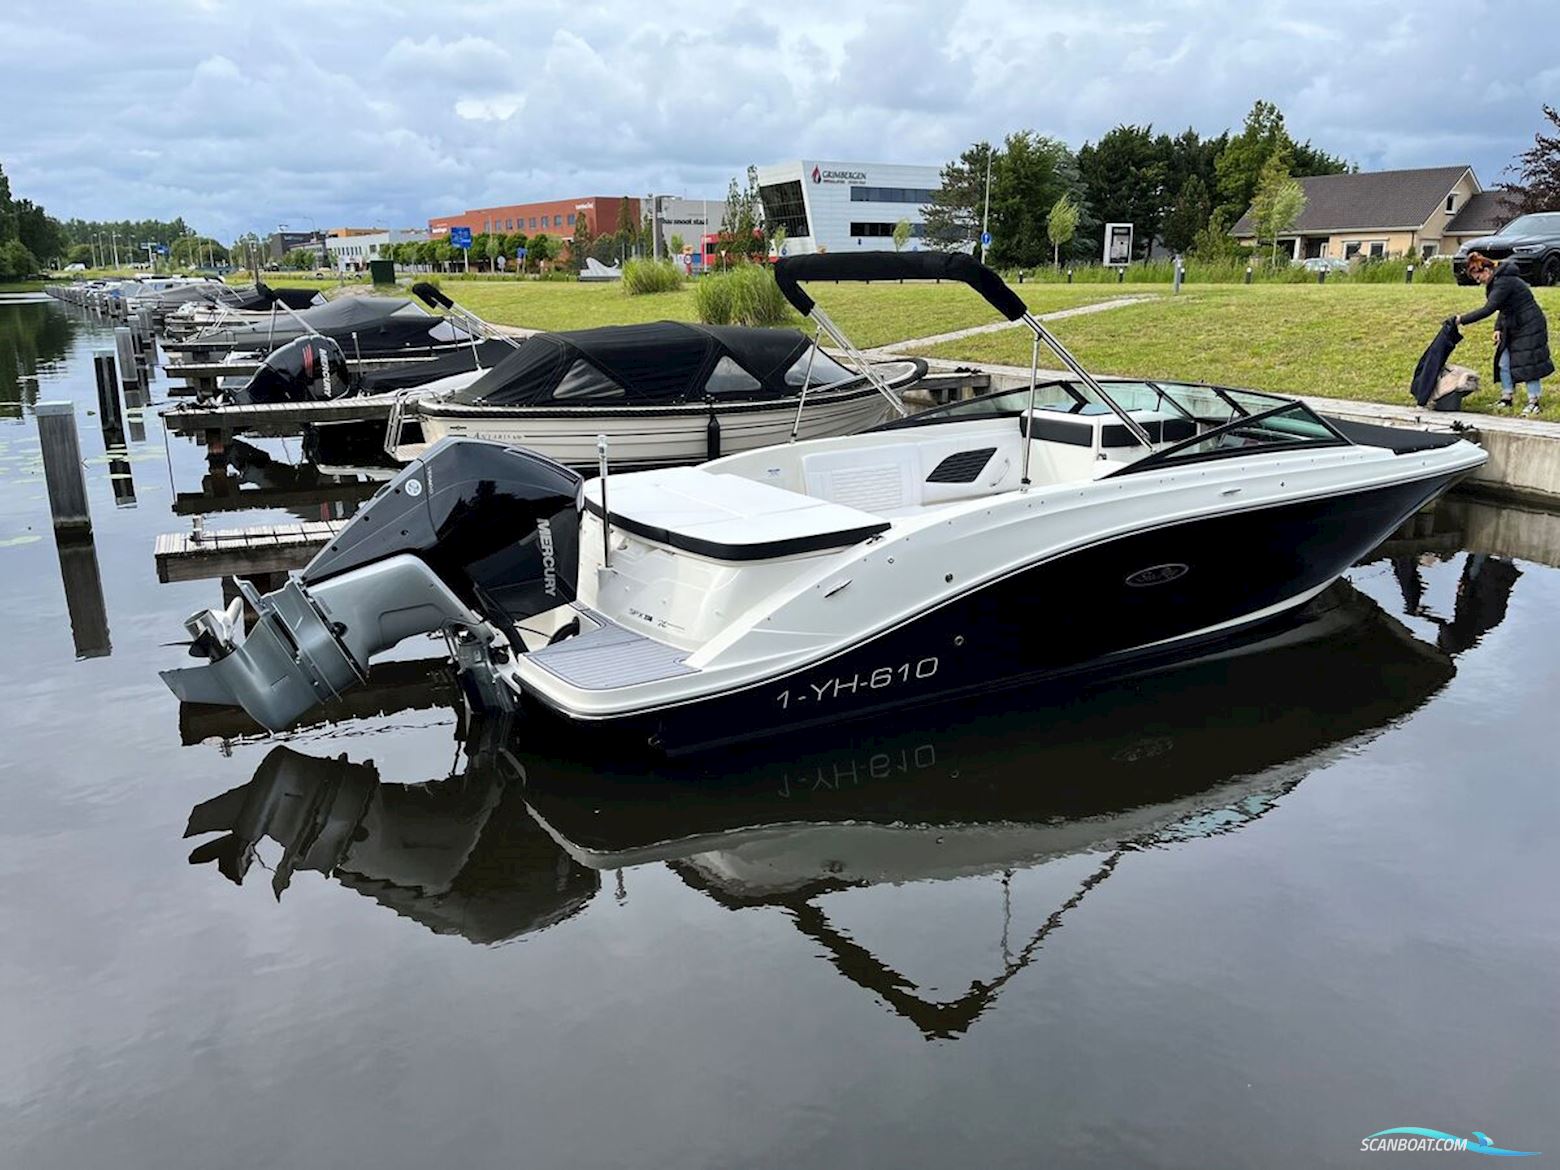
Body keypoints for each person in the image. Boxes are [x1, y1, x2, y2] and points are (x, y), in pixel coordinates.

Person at [1455, 251, 1553, 415]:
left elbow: (1489, 308)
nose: (1479, 282)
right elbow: (1503, 308)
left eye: (1478, 278)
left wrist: (1461, 319)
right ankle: (1506, 397)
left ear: (1486, 271)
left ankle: (1534, 402)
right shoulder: (1498, 281)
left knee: (1528, 363)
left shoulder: (1504, 282)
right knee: (1503, 362)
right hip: (1512, 324)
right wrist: (1498, 328)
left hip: (1529, 324)